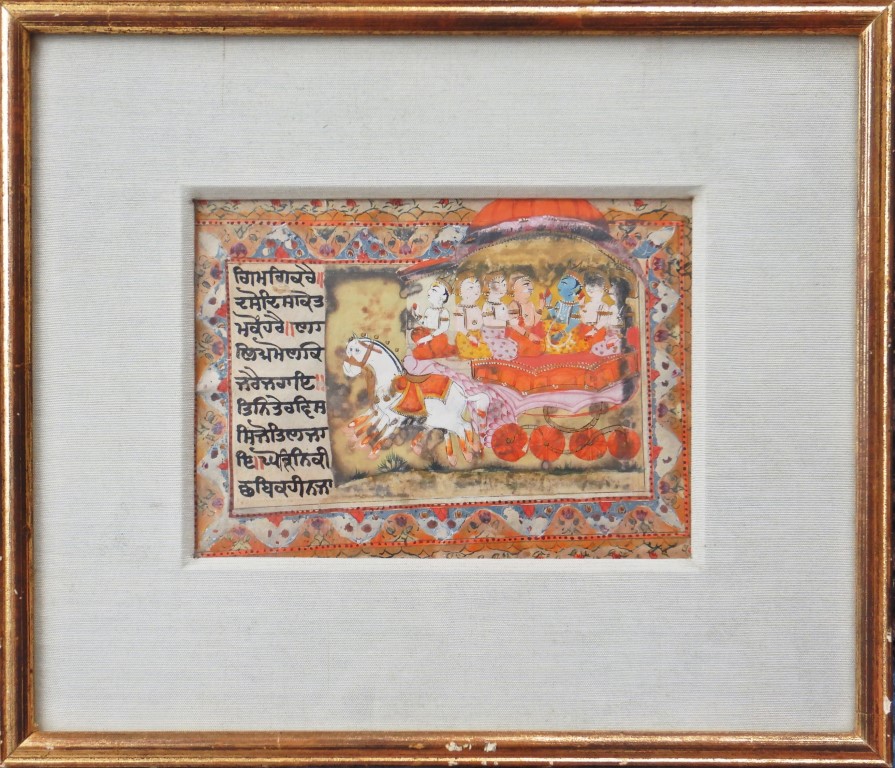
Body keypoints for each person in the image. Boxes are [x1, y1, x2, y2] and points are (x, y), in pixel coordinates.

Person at [409, 280, 456, 360]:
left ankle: (427, 349)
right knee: (415, 332)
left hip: (437, 337)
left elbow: (443, 328)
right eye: (430, 289)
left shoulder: (443, 312)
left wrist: (428, 337)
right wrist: (417, 315)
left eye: (434, 290)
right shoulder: (428, 310)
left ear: (443, 297)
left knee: (429, 348)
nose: (429, 291)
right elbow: (425, 323)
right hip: (427, 334)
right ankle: (425, 347)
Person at [480, 272, 518, 360]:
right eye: (497, 284)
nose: (502, 288)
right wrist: (508, 323)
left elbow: (506, 317)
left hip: (500, 336)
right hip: (489, 338)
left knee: (513, 345)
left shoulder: (502, 305)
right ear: (488, 286)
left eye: (504, 285)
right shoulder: (488, 305)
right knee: (504, 349)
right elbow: (489, 322)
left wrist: (512, 318)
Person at [506, 272, 545, 357]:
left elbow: (534, 323)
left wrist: (541, 308)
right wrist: (529, 335)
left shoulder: (530, 304)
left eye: (530, 284)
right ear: (514, 288)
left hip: (529, 336)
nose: (530, 287)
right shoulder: (514, 305)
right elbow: (514, 325)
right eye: (525, 284)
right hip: (517, 337)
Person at [453, 276, 491, 359]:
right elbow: (459, 326)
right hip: (465, 337)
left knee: (487, 351)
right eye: (471, 287)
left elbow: (480, 322)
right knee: (476, 353)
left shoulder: (476, 307)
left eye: (477, 287)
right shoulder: (460, 308)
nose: (476, 290)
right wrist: (470, 337)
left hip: (478, 335)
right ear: (461, 292)